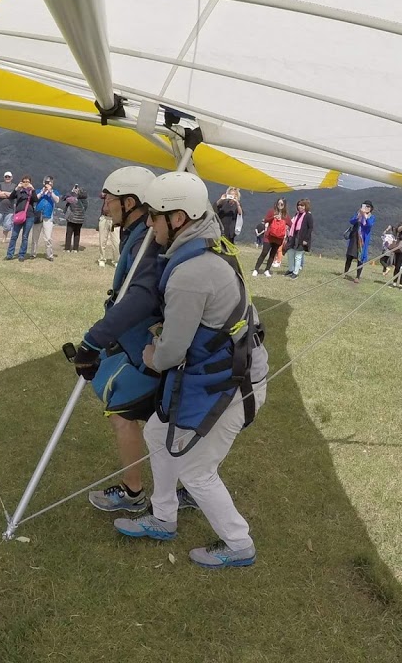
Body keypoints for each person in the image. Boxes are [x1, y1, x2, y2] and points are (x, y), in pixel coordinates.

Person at [113, 171, 269, 569]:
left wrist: (149, 351)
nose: (149, 225)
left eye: (155, 217)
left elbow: (167, 355)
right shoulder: (207, 244)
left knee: (197, 470)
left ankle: (239, 543)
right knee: (155, 431)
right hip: (218, 375)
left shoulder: (190, 272)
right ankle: (163, 517)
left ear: (178, 219)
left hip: (231, 385)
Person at [71, 166, 177, 514]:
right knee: (162, 421)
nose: (105, 206)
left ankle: (134, 493)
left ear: (130, 202)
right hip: (137, 345)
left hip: (149, 348)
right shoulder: (138, 234)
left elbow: (140, 298)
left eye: (110, 199)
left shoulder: (146, 242)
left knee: (122, 414)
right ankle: (184, 486)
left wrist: (93, 339)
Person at [252, 197, 290, 277]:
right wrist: (273, 217)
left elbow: (291, 224)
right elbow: (266, 220)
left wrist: (286, 225)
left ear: (284, 205)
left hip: (278, 238)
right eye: (278, 203)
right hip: (269, 236)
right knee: (264, 252)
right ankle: (256, 269)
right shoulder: (272, 211)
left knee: (272, 254)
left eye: (282, 204)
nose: (280, 205)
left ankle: (267, 270)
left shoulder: (285, 215)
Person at [5, 175, 38, 261]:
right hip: (19, 215)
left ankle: (21, 255)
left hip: (29, 216)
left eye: (27, 182)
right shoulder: (19, 191)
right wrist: (17, 188)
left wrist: (33, 189)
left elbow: (36, 199)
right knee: (14, 235)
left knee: (25, 236)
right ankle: (9, 254)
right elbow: (11, 197)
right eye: (24, 182)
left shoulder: (31, 192)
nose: (26, 183)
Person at [344, 201, 375, 282]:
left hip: (363, 240)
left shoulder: (371, 217)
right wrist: (359, 215)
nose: (367, 208)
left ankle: (357, 276)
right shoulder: (358, 214)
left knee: (360, 258)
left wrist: (365, 216)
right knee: (349, 256)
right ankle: (345, 273)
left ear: (371, 208)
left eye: (369, 207)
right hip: (354, 238)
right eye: (365, 206)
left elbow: (369, 225)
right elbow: (351, 221)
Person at [284, 198, 313, 278]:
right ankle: (291, 269)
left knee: (298, 256)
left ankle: (295, 272)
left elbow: (310, 228)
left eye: (302, 205)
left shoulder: (308, 215)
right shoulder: (297, 215)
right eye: (299, 205)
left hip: (301, 238)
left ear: (305, 206)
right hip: (293, 237)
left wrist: (306, 240)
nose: (300, 207)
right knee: (290, 253)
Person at [35, 176, 60, 261]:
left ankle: (49, 255)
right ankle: (33, 253)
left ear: (52, 184)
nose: (48, 184)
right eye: (46, 182)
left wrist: (50, 192)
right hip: (38, 215)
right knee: (35, 236)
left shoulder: (55, 192)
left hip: (48, 217)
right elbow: (35, 198)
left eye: (49, 182)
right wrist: (42, 192)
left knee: (48, 237)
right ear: (43, 183)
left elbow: (57, 200)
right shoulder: (39, 191)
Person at [62, 183, 88, 253]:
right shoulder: (86, 202)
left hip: (71, 219)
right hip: (80, 219)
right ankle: (75, 249)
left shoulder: (73, 199)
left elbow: (64, 198)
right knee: (77, 233)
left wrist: (72, 192)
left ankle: (67, 248)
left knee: (69, 233)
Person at [0, 171, 15, 242]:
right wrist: (9, 194)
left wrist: (4, 192)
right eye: (6, 177)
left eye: (9, 177)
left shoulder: (15, 186)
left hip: (9, 209)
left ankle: (4, 239)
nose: (7, 178)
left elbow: (14, 195)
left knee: (7, 226)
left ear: (12, 178)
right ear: (4, 177)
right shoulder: (0, 184)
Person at [97, 198, 119, 267]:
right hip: (104, 217)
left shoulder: (119, 194)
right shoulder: (106, 193)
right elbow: (101, 195)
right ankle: (102, 259)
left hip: (115, 219)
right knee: (102, 241)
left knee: (116, 242)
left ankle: (116, 260)